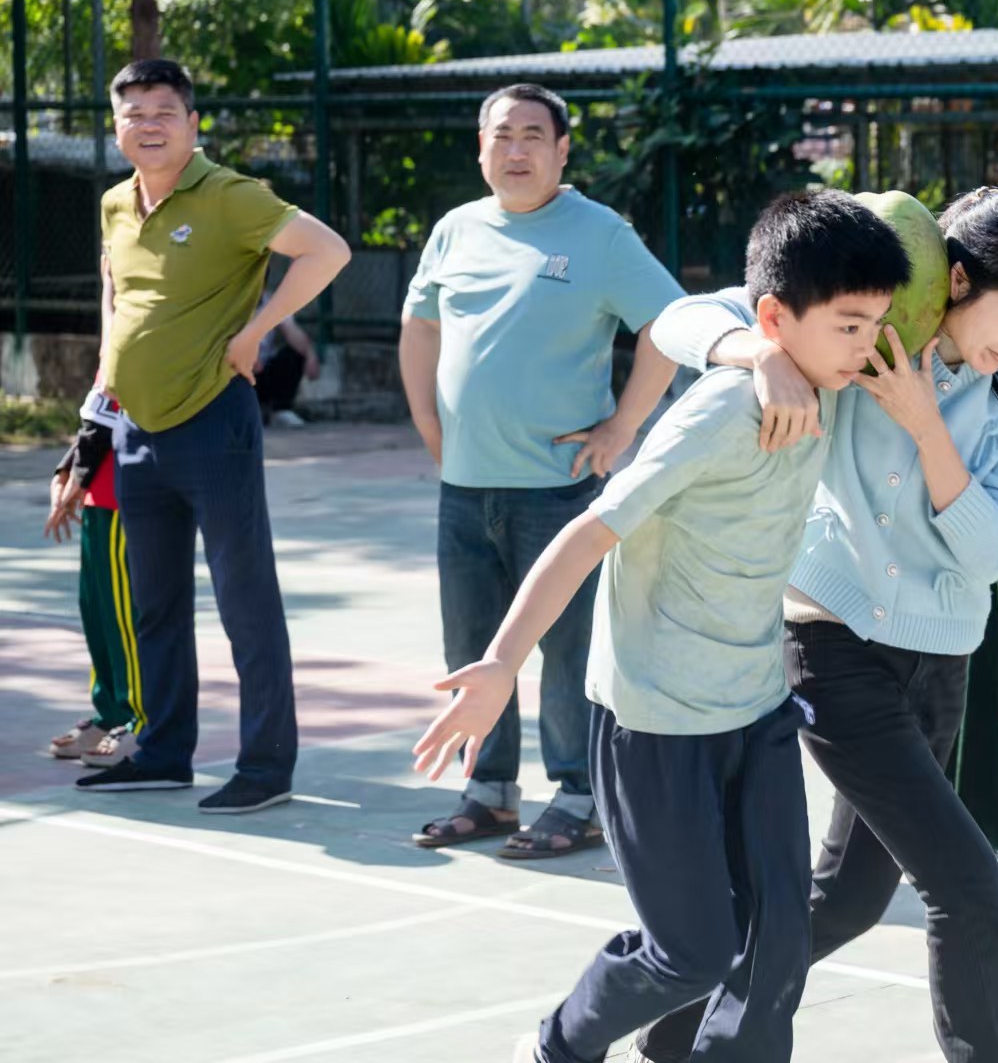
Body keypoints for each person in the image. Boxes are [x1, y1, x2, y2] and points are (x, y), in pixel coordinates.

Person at [411, 189, 911, 1063]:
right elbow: (588, 530)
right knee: (691, 951)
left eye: (876, 324)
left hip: (755, 708)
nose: (865, 346)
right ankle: (561, 1044)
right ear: (773, 317)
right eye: (847, 325)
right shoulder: (721, 412)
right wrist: (499, 664)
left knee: (780, 940)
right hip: (657, 722)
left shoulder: (838, 383)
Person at [636, 187, 998, 1063]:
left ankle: (671, 1036)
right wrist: (758, 355)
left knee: (845, 899)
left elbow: (994, 551)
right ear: (956, 280)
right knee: (966, 887)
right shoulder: (856, 330)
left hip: (940, 660)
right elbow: (676, 322)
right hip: (828, 643)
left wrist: (928, 429)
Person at [398, 83, 685, 859]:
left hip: (557, 493)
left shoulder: (600, 234)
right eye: (502, 136)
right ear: (481, 148)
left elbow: (670, 322)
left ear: (562, 151)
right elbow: (419, 325)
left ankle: (579, 794)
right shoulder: (457, 229)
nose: (516, 150)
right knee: (472, 644)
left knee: (567, 649)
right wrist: (429, 423)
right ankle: (487, 791)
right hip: (464, 487)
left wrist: (625, 425)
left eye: (533, 136)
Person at [75, 59, 351, 813]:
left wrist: (257, 330)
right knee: (154, 603)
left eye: (165, 111)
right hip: (135, 426)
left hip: (213, 421)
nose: (149, 124)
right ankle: (164, 752)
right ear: (117, 125)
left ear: (193, 123)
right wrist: (99, 405)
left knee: (244, 599)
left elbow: (328, 251)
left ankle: (265, 765)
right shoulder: (113, 204)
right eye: (133, 113)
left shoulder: (230, 195)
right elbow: (117, 300)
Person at [43, 381, 144, 769]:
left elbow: (116, 406)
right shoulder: (114, 326)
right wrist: (69, 469)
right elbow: (99, 409)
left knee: (124, 619)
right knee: (97, 613)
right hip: (97, 495)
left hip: (125, 491)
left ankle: (139, 720)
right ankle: (110, 716)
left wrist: (75, 475)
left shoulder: (137, 322)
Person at [254, 313, 320, 427]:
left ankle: (281, 410)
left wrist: (310, 354)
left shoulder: (271, 302)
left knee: (295, 352)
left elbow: (292, 330)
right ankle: (251, 411)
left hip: (263, 371)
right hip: (241, 368)